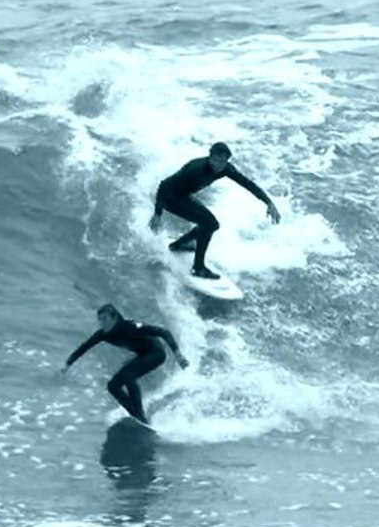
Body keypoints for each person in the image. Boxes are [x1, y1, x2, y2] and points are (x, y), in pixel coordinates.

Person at [148, 141, 280, 280]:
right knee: (209, 224)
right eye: (215, 160)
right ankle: (198, 268)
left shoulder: (226, 169)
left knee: (212, 225)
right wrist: (157, 214)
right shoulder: (195, 168)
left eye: (222, 162)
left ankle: (179, 245)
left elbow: (247, 184)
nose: (217, 165)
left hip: (184, 196)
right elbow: (164, 185)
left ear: (226, 161)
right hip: (170, 198)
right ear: (209, 157)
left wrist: (268, 202)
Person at [63, 304, 189, 424]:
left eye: (105, 319)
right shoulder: (102, 334)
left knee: (129, 374)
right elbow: (85, 346)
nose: (101, 323)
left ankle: (140, 415)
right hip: (143, 354)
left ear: (114, 318)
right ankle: (135, 414)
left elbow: (164, 332)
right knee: (112, 386)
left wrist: (178, 356)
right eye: (99, 319)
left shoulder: (131, 326)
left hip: (156, 353)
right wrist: (68, 364)